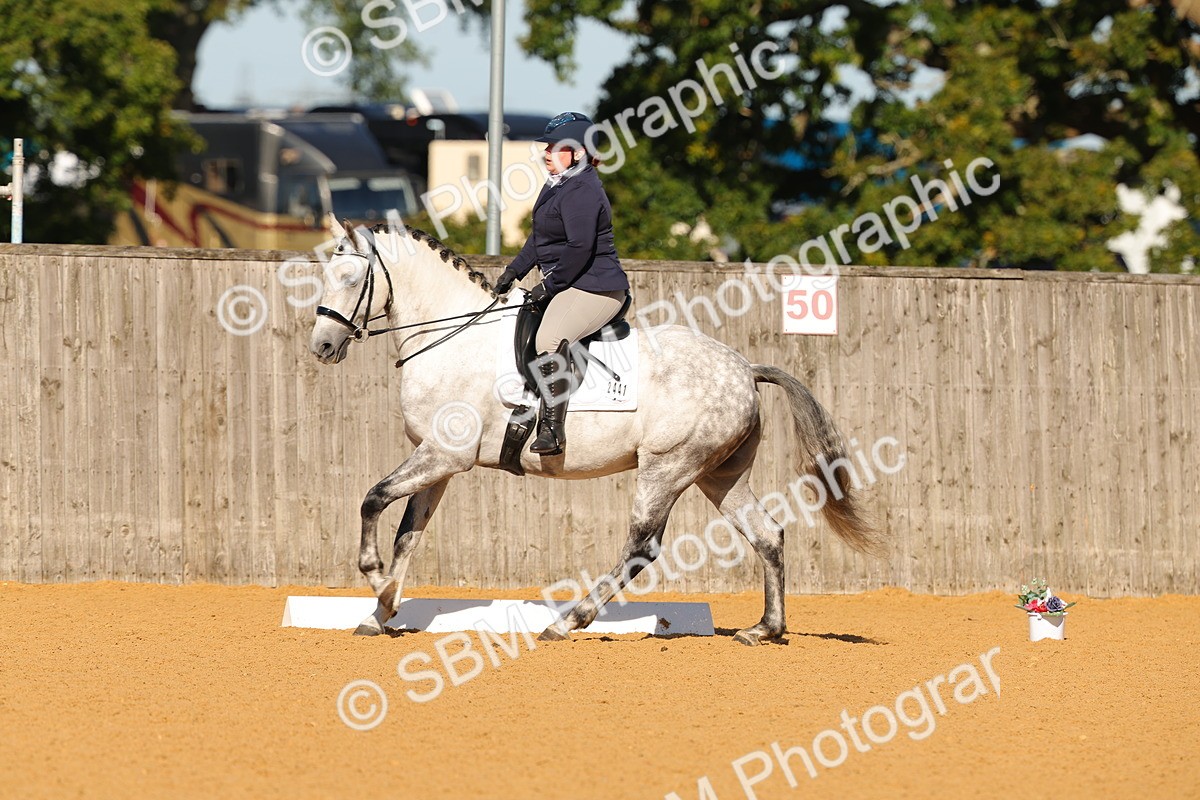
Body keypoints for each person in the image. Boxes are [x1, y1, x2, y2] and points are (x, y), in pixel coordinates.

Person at [493, 111, 630, 456]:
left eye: (555, 147)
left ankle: (553, 431)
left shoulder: (583, 190)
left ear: (578, 152)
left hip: (597, 287)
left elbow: (579, 247)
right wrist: (514, 271)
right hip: (571, 283)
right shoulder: (559, 184)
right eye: (547, 146)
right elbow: (539, 239)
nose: (547, 153)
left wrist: (550, 285)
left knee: (549, 338)